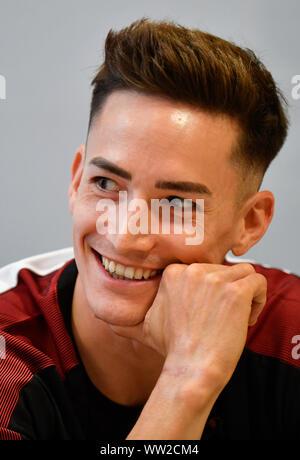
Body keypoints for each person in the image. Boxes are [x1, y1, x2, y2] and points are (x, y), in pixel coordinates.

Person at [0, 18, 299, 441]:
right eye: (106, 184)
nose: (124, 236)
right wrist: (186, 381)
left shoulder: (289, 332)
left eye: (176, 203)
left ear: (250, 222)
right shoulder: (7, 352)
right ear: (75, 180)